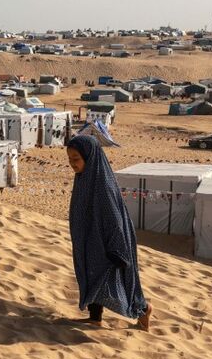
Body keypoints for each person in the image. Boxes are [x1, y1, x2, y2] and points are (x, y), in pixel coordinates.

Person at [65, 136, 153, 331]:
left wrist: (116, 250)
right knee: (91, 276)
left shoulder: (101, 183)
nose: (72, 164)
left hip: (106, 243)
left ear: (89, 157)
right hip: (90, 239)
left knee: (113, 283)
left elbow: (114, 218)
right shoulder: (85, 176)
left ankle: (143, 309)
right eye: (70, 159)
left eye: (76, 158)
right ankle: (95, 318)